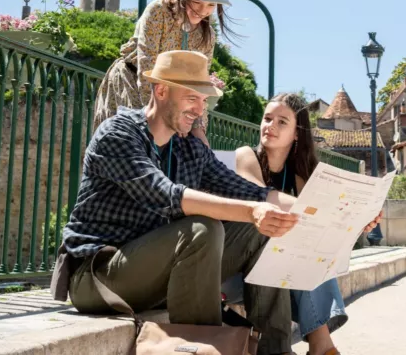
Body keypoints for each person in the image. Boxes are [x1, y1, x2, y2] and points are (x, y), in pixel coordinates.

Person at [57, 50, 299, 355]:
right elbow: (166, 194)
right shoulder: (118, 135)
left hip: (158, 272)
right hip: (98, 275)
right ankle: (209, 350)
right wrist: (253, 212)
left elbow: (251, 192)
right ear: (161, 90)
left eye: (203, 101)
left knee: (265, 229)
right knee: (202, 229)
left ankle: (276, 351)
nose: (199, 110)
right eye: (192, 98)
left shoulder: (188, 148)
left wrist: (325, 214)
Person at [234, 93, 382, 355]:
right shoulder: (246, 157)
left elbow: (321, 225)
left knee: (310, 250)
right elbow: (263, 197)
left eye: (282, 122)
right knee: (291, 239)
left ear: (297, 134)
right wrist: (324, 213)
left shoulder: (301, 175)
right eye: (267, 119)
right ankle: (322, 346)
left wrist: (359, 223)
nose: (270, 126)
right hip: (245, 255)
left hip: (284, 265)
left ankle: (321, 345)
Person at [93, 0, 233, 141]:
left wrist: (198, 128)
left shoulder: (207, 35)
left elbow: (200, 84)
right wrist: (161, 115)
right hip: (132, 83)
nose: (203, 11)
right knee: (126, 148)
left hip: (170, 99)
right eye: (197, 2)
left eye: (211, 5)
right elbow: (147, 66)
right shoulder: (158, 11)